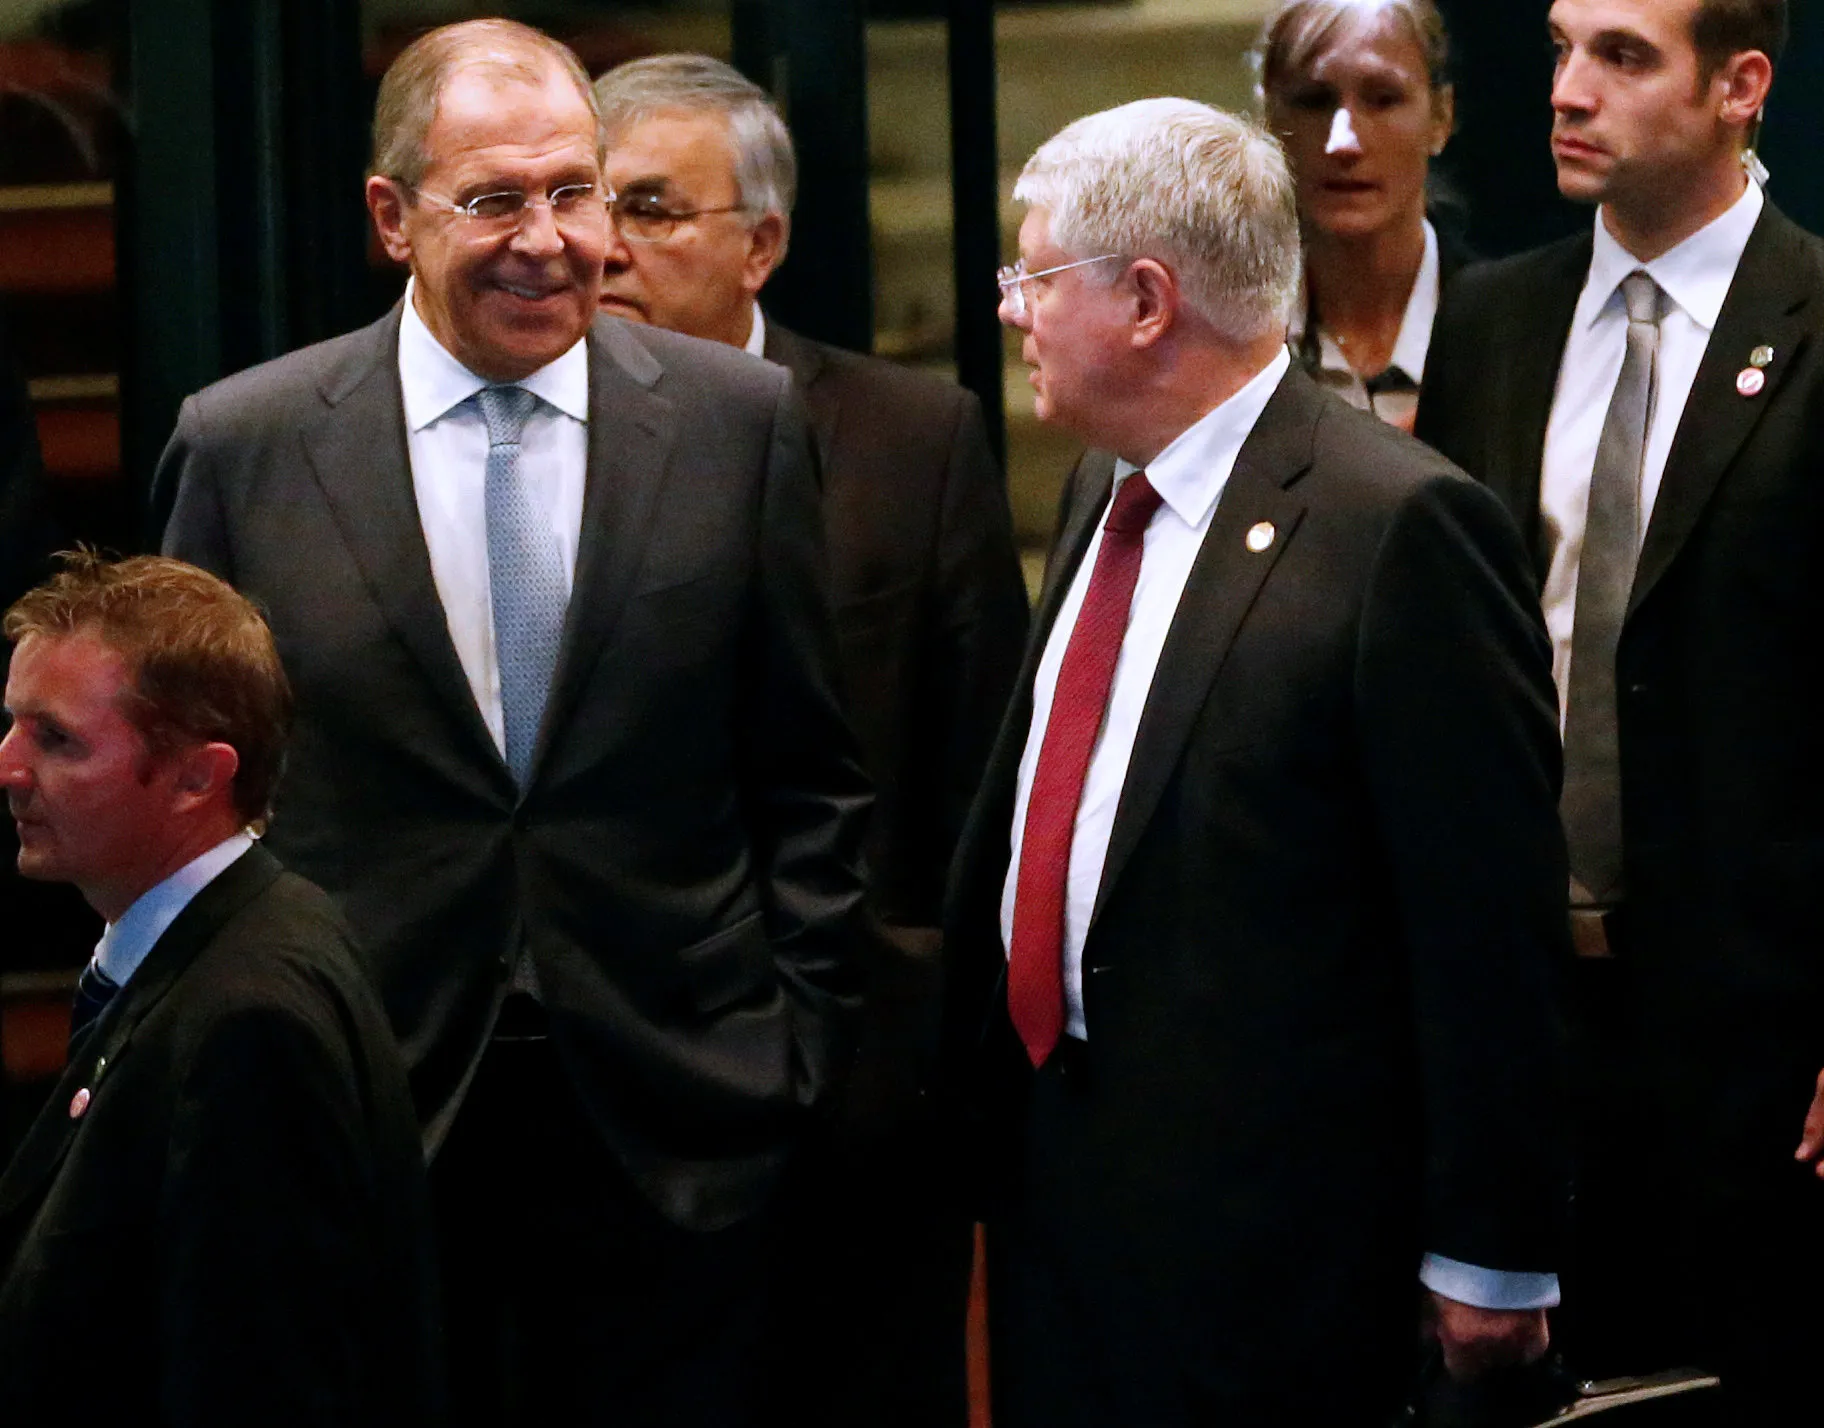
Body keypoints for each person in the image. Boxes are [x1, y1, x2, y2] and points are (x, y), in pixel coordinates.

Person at [156, 20, 869, 1428]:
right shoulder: (246, 446)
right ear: (392, 218)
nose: (547, 242)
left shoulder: (738, 425)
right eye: (493, 199)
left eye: (573, 192)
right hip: (366, 1107)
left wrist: (794, 1053)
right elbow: (187, 798)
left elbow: (807, 775)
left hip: (679, 1116)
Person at [941, 97, 1569, 1426]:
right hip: (1066, 1196)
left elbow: (1486, 923)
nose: (1011, 308)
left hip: (1280, 1251)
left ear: (1147, 300)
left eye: (1034, 275)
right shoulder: (1103, 485)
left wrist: (1491, 1254)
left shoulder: (1399, 528)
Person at [592, 53, 1030, 1428]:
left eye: (652, 208)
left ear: (762, 244)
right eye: (592, 205)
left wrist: (910, 1039)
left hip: (851, 1091)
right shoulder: (529, 437)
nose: (605, 244)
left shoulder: (912, 439)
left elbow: (980, 778)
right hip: (609, 1085)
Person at [1413, 3, 1823, 1421]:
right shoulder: (1492, 319)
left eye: (1624, 56)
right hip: (1524, 1009)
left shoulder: (1816, 317)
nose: (1570, 90)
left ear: (1740, 86)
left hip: (1756, 1033)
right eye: (1560, 48)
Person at [0, 552, 441, 1427]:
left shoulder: (249, 1020)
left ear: (198, 777)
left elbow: (261, 1384)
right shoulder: (240, 938)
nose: (8, 767)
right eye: (11, 723)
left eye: (56, 739)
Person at [1257, 0, 1463, 431]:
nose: (1343, 142)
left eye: (1383, 99)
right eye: (1314, 101)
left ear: (1441, 116)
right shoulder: (1228, 345)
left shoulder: (1518, 336)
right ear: (1270, 121)